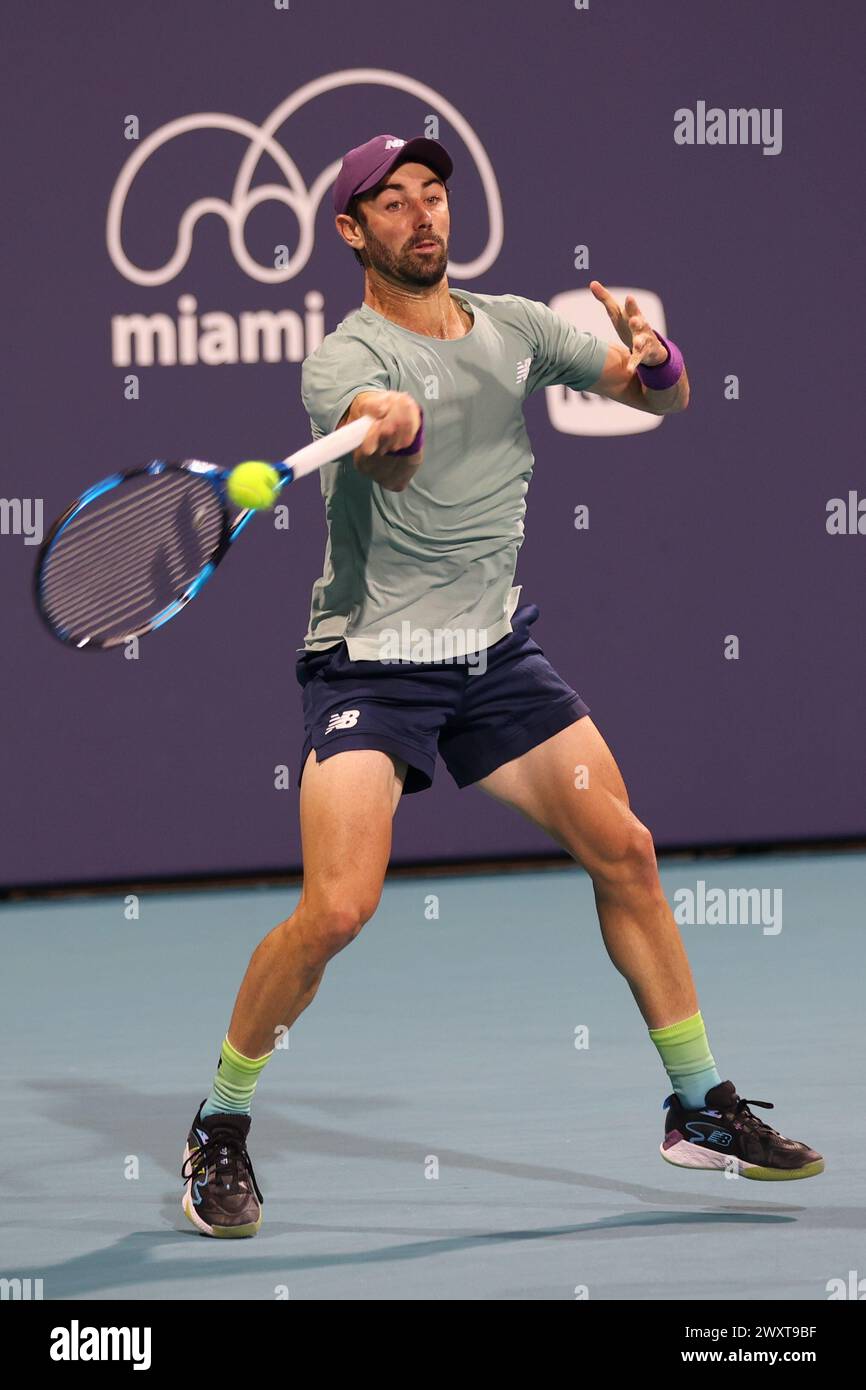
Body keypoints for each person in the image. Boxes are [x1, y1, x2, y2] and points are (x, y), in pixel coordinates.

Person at [180, 133, 822, 1238]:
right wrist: (385, 422)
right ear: (351, 230)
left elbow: (653, 396)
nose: (423, 216)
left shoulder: (517, 325)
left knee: (623, 847)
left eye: (435, 194)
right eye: (395, 203)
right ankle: (220, 1122)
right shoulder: (338, 361)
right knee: (335, 909)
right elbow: (391, 449)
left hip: (489, 657)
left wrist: (654, 358)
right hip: (371, 670)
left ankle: (695, 1105)